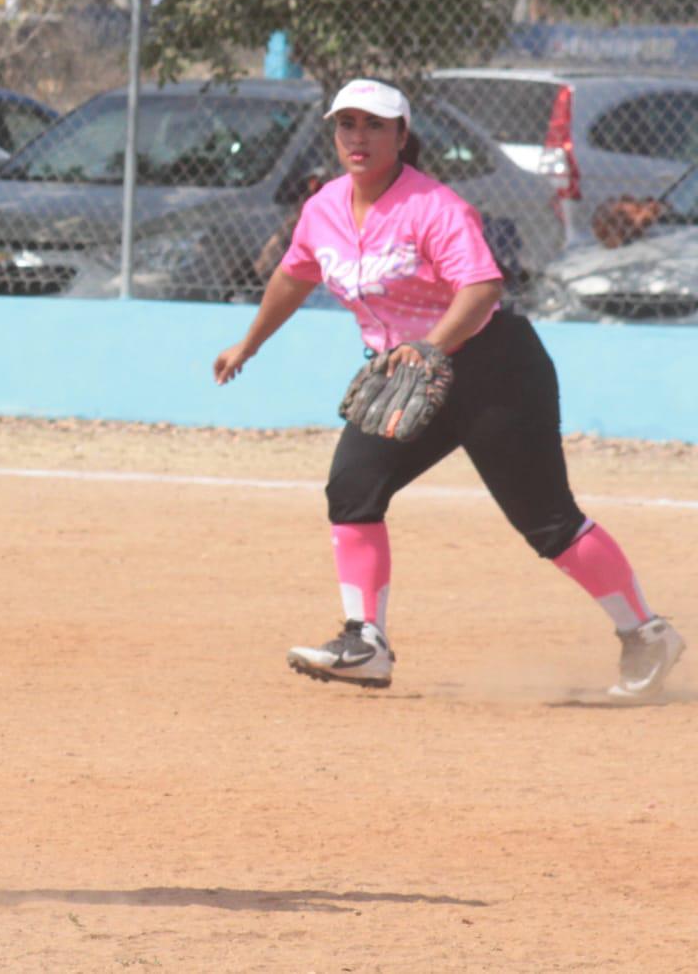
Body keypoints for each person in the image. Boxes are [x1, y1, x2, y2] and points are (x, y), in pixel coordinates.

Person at [213, 78, 683, 699]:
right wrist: (249, 344)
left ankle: (646, 633)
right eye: (347, 123)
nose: (359, 136)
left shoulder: (434, 206)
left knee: (547, 522)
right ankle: (366, 642)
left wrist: (431, 346)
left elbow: (482, 286)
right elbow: (294, 277)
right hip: (402, 377)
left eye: (375, 125)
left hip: (493, 369)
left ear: (401, 137)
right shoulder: (324, 208)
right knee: (353, 487)